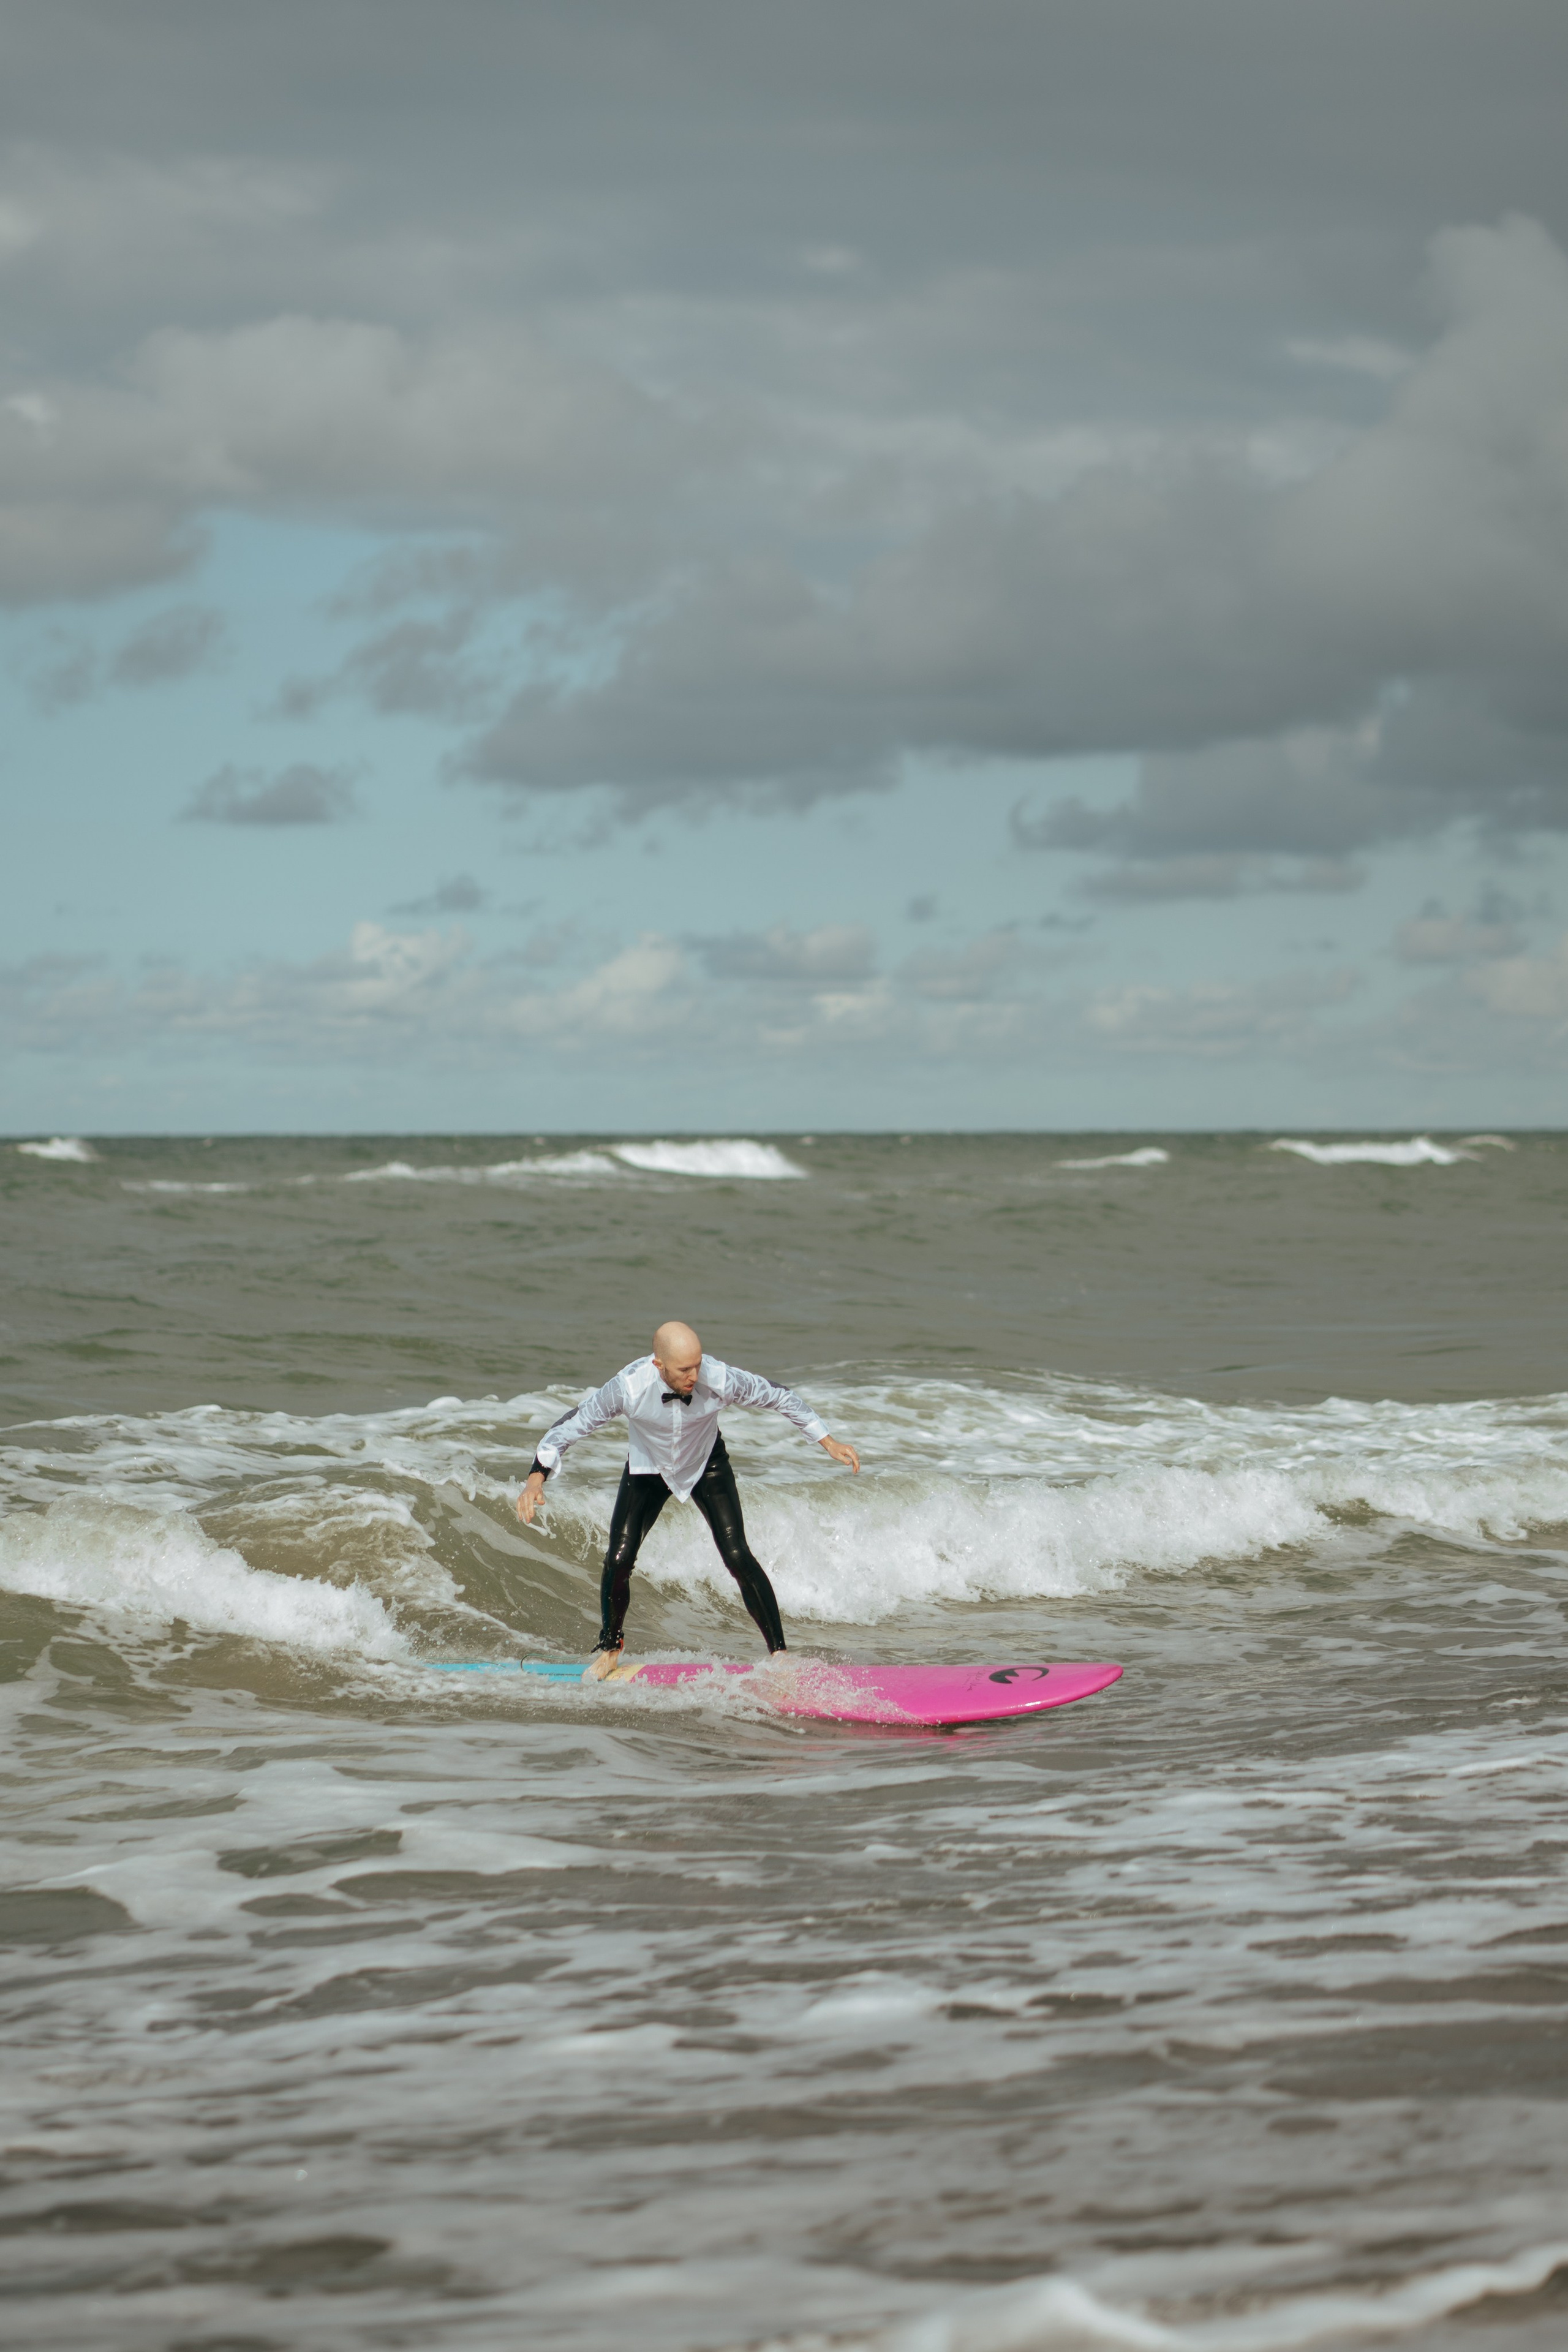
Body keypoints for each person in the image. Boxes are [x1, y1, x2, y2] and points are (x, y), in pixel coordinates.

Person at [518, 1321, 859, 1676]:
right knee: (619, 1559)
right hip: (649, 1467)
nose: (695, 1375)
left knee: (737, 1554)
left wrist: (827, 1441)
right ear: (658, 1365)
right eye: (684, 1369)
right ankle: (610, 1648)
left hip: (705, 1464)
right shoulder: (628, 1388)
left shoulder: (719, 1378)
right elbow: (572, 1425)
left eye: (697, 1364)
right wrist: (535, 1479)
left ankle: (779, 1654)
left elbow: (778, 1395)